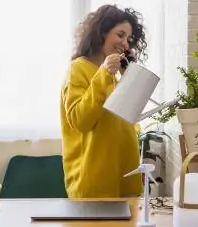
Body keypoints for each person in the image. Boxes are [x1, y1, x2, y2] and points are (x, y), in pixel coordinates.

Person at [60, 4, 148, 198]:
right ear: (102, 32)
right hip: (93, 183)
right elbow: (80, 121)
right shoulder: (79, 69)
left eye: (129, 39)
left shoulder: (112, 76)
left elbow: (126, 120)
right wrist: (104, 73)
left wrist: (129, 75)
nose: (125, 43)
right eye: (120, 34)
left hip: (123, 179)